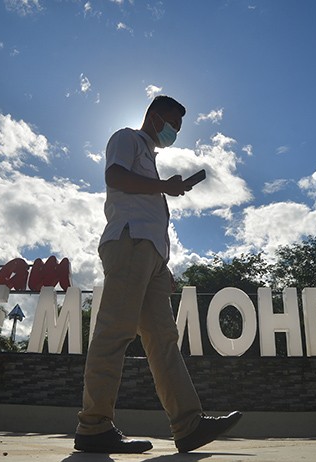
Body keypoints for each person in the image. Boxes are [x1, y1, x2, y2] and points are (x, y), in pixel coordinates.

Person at [74, 96, 242, 454]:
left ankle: (189, 425)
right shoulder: (127, 138)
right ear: (152, 117)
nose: (173, 133)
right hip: (129, 242)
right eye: (170, 124)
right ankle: (93, 426)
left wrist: (161, 267)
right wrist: (165, 187)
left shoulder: (149, 160)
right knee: (114, 332)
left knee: (163, 339)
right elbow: (115, 176)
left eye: (178, 129)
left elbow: (148, 210)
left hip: (148, 255)